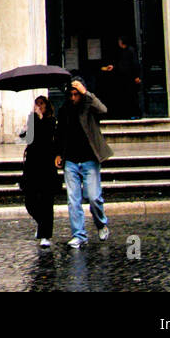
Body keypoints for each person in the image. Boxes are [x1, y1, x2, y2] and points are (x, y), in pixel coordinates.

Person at [53, 79, 113, 248]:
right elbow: (59, 133)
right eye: (71, 94)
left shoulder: (89, 105)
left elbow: (103, 110)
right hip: (70, 160)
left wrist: (86, 93)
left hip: (89, 159)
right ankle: (79, 234)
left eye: (76, 94)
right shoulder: (64, 110)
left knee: (94, 198)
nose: (73, 97)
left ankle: (101, 223)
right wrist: (57, 153)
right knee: (73, 200)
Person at [19, 96, 61, 248]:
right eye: (36, 104)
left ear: (46, 106)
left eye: (41, 104)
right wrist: (28, 124)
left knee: (46, 201)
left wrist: (39, 119)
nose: (38, 107)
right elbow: (26, 137)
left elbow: (46, 137)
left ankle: (46, 235)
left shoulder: (51, 121)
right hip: (32, 165)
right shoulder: (33, 120)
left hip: (47, 166)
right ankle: (41, 224)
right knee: (30, 201)